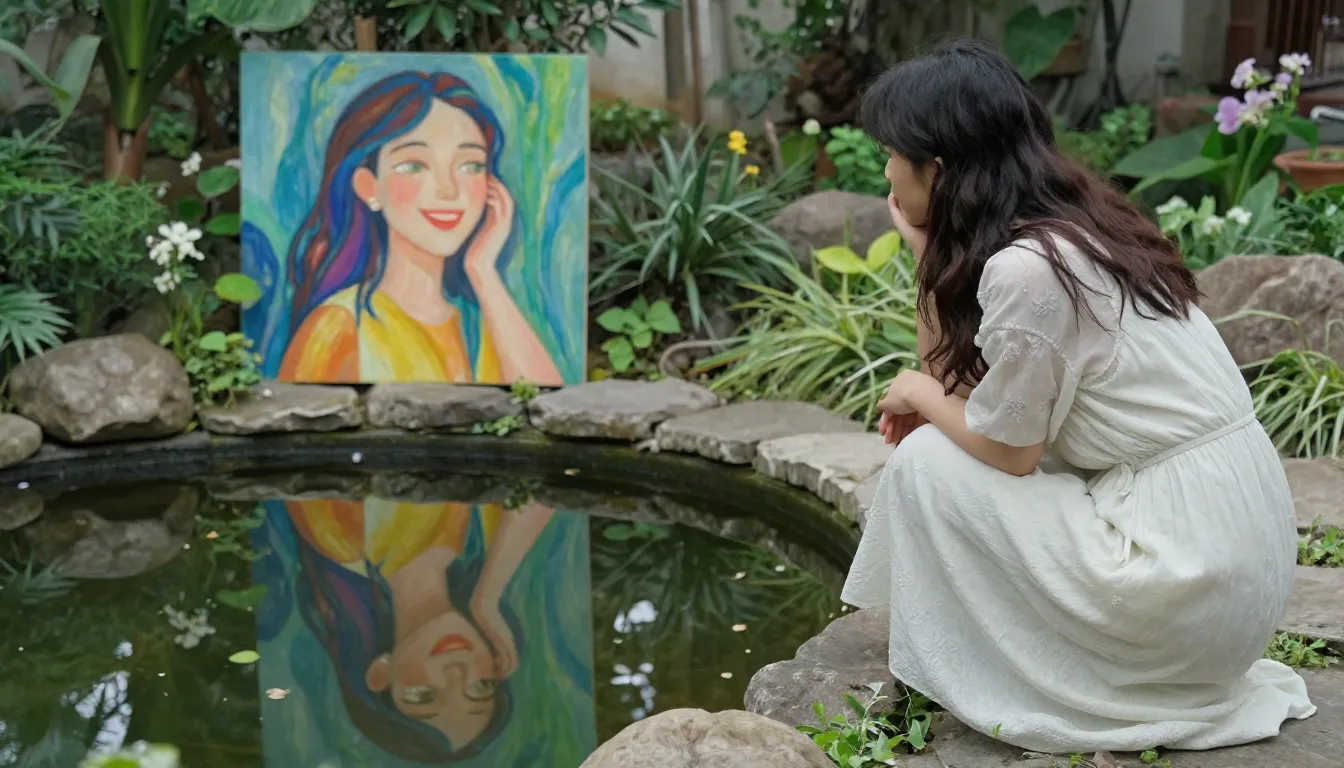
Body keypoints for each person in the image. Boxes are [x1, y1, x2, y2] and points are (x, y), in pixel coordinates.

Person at [842, 39, 1316, 753]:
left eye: (890, 154)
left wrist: (916, 392)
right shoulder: (1079, 233)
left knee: (925, 464)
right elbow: (974, 396)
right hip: (1227, 570)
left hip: (1184, 580)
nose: (883, 172)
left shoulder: (1030, 271)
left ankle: (976, 669)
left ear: (936, 169)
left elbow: (1006, 449)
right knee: (945, 443)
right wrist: (926, 255)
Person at [278, 71, 562, 385]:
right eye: (414, 165)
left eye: (470, 165)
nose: (448, 190)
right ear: (369, 187)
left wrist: (482, 270)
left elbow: (547, 398)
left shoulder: (487, 320)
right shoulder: (338, 326)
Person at [273, 496, 553, 762]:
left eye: (423, 695)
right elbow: (546, 483)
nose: (456, 672)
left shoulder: (341, 539)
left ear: (381, 672)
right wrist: (486, 598)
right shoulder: (484, 540)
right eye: (480, 687)